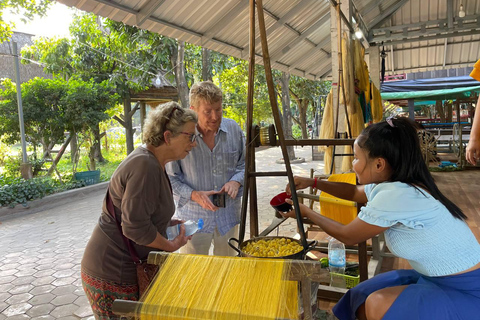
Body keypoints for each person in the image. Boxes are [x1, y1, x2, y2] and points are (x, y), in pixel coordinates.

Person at [283, 117, 480, 320]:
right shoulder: (397, 182)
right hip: (436, 278)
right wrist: (313, 182)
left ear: (379, 164)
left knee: (376, 304)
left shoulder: (397, 194)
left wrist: (305, 212)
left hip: (466, 289)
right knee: (359, 298)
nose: (353, 164)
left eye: (356, 158)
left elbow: (348, 236)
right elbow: (353, 193)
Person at [81, 102, 198, 319]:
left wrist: (167, 225)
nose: (193, 144)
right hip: (113, 271)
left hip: (122, 268)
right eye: (189, 136)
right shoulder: (145, 166)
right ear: (167, 136)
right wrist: (170, 245)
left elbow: (142, 214)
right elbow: (135, 228)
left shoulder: (153, 162)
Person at [166, 81, 245, 256]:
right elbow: (171, 178)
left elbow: (245, 165)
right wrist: (194, 194)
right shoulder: (181, 136)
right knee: (193, 274)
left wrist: (236, 180)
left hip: (229, 217)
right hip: (193, 218)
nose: (215, 116)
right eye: (207, 111)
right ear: (193, 110)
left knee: (227, 271)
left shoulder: (234, 129)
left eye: (218, 109)